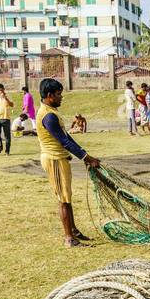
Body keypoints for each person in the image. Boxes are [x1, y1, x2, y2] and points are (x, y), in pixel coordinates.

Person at [35, 78, 101, 248]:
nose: (61, 97)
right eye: (58, 94)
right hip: (54, 159)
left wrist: (86, 155)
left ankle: (73, 230)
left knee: (67, 196)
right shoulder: (48, 116)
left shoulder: (51, 111)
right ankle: (69, 238)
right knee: (63, 199)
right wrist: (87, 158)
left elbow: (67, 137)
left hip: (60, 158)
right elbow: (64, 142)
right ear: (49, 96)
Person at [0, 83, 14, 154]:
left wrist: (6, 98)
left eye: (1, 90)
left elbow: (12, 105)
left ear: (4, 89)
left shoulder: (8, 96)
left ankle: (7, 151)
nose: (0, 91)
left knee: (7, 136)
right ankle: (0, 147)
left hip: (6, 119)